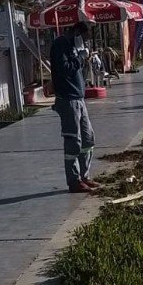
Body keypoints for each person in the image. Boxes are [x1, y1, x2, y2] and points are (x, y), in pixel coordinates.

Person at [50, 21, 100, 193]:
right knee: (73, 141)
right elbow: (65, 69)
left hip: (79, 98)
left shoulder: (74, 46)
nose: (85, 42)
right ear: (77, 32)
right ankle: (74, 180)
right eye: (84, 38)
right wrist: (80, 57)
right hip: (68, 100)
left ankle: (84, 175)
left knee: (88, 138)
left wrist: (83, 57)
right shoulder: (60, 45)